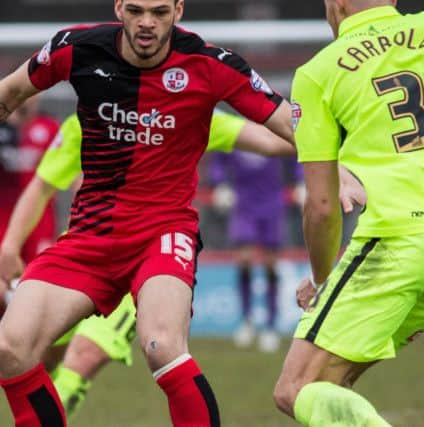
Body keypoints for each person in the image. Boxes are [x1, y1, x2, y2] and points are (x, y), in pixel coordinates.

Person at [0, 0, 295, 423]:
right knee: (10, 346)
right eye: (136, 10)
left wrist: (344, 166)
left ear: (178, 10)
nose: (146, 23)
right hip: (90, 235)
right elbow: (10, 92)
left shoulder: (212, 64)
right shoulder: (76, 48)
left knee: (162, 345)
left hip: (163, 231)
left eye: (159, 12)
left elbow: (289, 125)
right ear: (119, 6)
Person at [273, 1, 424, 426]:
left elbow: (322, 207)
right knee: (332, 381)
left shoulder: (318, 72)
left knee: (299, 388)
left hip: (399, 239)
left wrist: (323, 281)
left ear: (334, 4)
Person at [209, 148, 288, 353]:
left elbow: (296, 152)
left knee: (271, 264)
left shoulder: (274, 127)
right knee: (244, 259)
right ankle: (247, 320)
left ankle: (271, 325)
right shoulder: (238, 128)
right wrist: (220, 184)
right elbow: (218, 157)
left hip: (272, 203)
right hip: (243, 203)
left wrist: (301, 181)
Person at [0, 97, 59, 312]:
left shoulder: (49, 127)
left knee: (36, 279)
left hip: (40, 217)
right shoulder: (3, 129)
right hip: (4, 215)